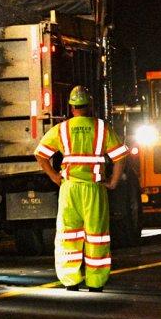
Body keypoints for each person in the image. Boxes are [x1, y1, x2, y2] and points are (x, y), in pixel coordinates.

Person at [34, 86, 130, 292]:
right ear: (90, 105)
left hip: (69, 190)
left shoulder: (62, 129)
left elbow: (40, 153)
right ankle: (96, 282)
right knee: (97, 236)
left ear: (71, 107)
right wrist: (113, 182)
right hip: (94, 189)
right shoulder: (102, 128)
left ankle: (71, 280)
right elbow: (120, 155)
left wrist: (53, 176)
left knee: (69, 235)